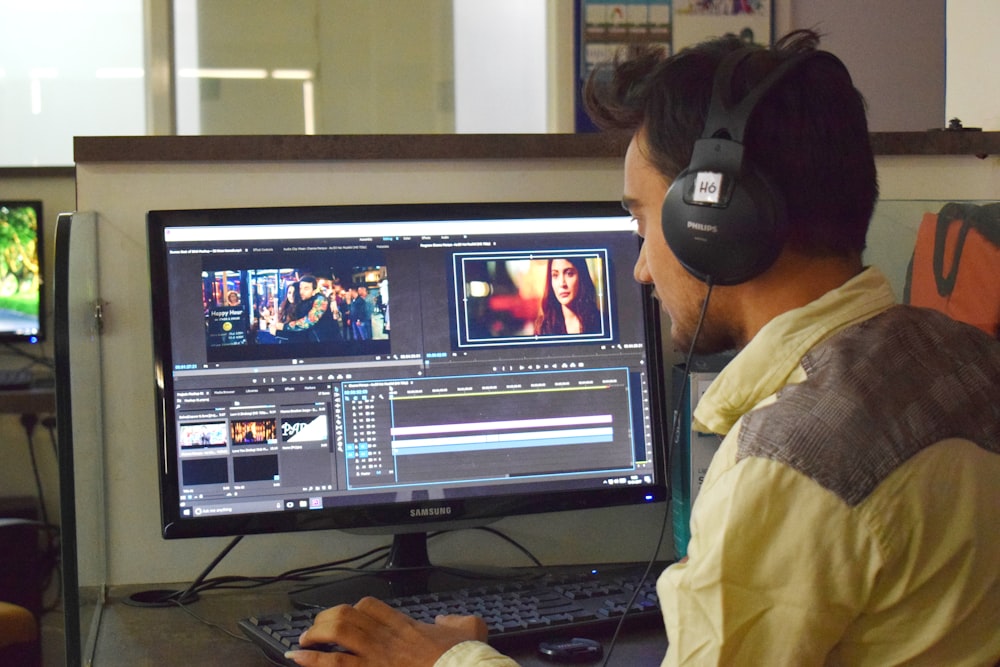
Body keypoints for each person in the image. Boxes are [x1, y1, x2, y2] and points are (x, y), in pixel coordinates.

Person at [286, 30, 1000, 667]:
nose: (638, 267)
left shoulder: (792, 468)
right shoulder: (963, 358)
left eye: (640, 219)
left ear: (713, 220)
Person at [534, 256, 602, 335]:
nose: (562, 284)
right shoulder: (543, 327)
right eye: (555, 275)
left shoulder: (601, 322)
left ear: (581, 276)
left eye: (569, 274)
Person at [268, 275, 339, 343]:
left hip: (328, 343)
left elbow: (308, 321)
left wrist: (283, 327)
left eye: (306, 288)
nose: (301, 292)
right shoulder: (304, 303)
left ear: (314, 291)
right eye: (300, 288)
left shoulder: (320, 300)